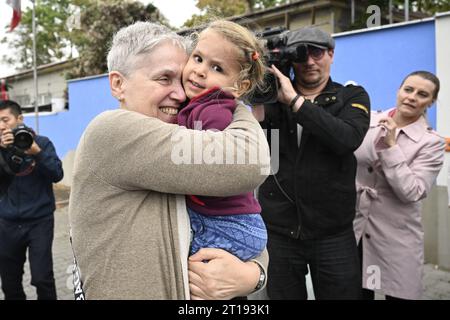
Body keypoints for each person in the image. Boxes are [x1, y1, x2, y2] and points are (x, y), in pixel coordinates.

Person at [68, 21, 270, 300]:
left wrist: (252, 275)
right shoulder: (110, 132)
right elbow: (249, 162)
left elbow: (237, 216)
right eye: (164, 79)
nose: (181, 93)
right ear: (118, 84)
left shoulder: (180, 139)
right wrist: (230, 97)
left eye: (181, 78)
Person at [254, 27, 370, 300]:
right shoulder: (272, 100)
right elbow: (256, 149)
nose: (309, 62)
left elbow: (346, 139)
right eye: (301, 54)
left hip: (333, 233)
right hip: (280, 231)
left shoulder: (351, 97)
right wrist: (258, 89)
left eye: (316, 52)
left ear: (331, 54)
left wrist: (295, 102)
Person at [178, 20, 267, 262]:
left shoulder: (213, 111)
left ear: (240, 86)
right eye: (197, 58)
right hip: (229, 220)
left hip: (226, 223)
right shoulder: (198, 105)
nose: (200, 70)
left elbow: (211, 166)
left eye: (217, 68)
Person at [353, 71, 445, 300]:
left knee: (398, 293)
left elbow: (412, 191)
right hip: (356, 229)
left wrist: (392, 147)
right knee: (360, 290)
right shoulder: (369, 121)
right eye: (408, 89)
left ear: (431, 102)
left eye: (422, 94)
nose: (412, 97)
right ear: (398, 91)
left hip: (395, 237)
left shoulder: (431, 142)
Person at [0, 100, 64, 300]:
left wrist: (38, 153)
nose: (1, 126)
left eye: (5, 119)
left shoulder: (42, 142)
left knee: (42, 278)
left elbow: (57, 174)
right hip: (7, 223)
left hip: (40, 222)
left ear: (19, 119)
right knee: (10, 282)